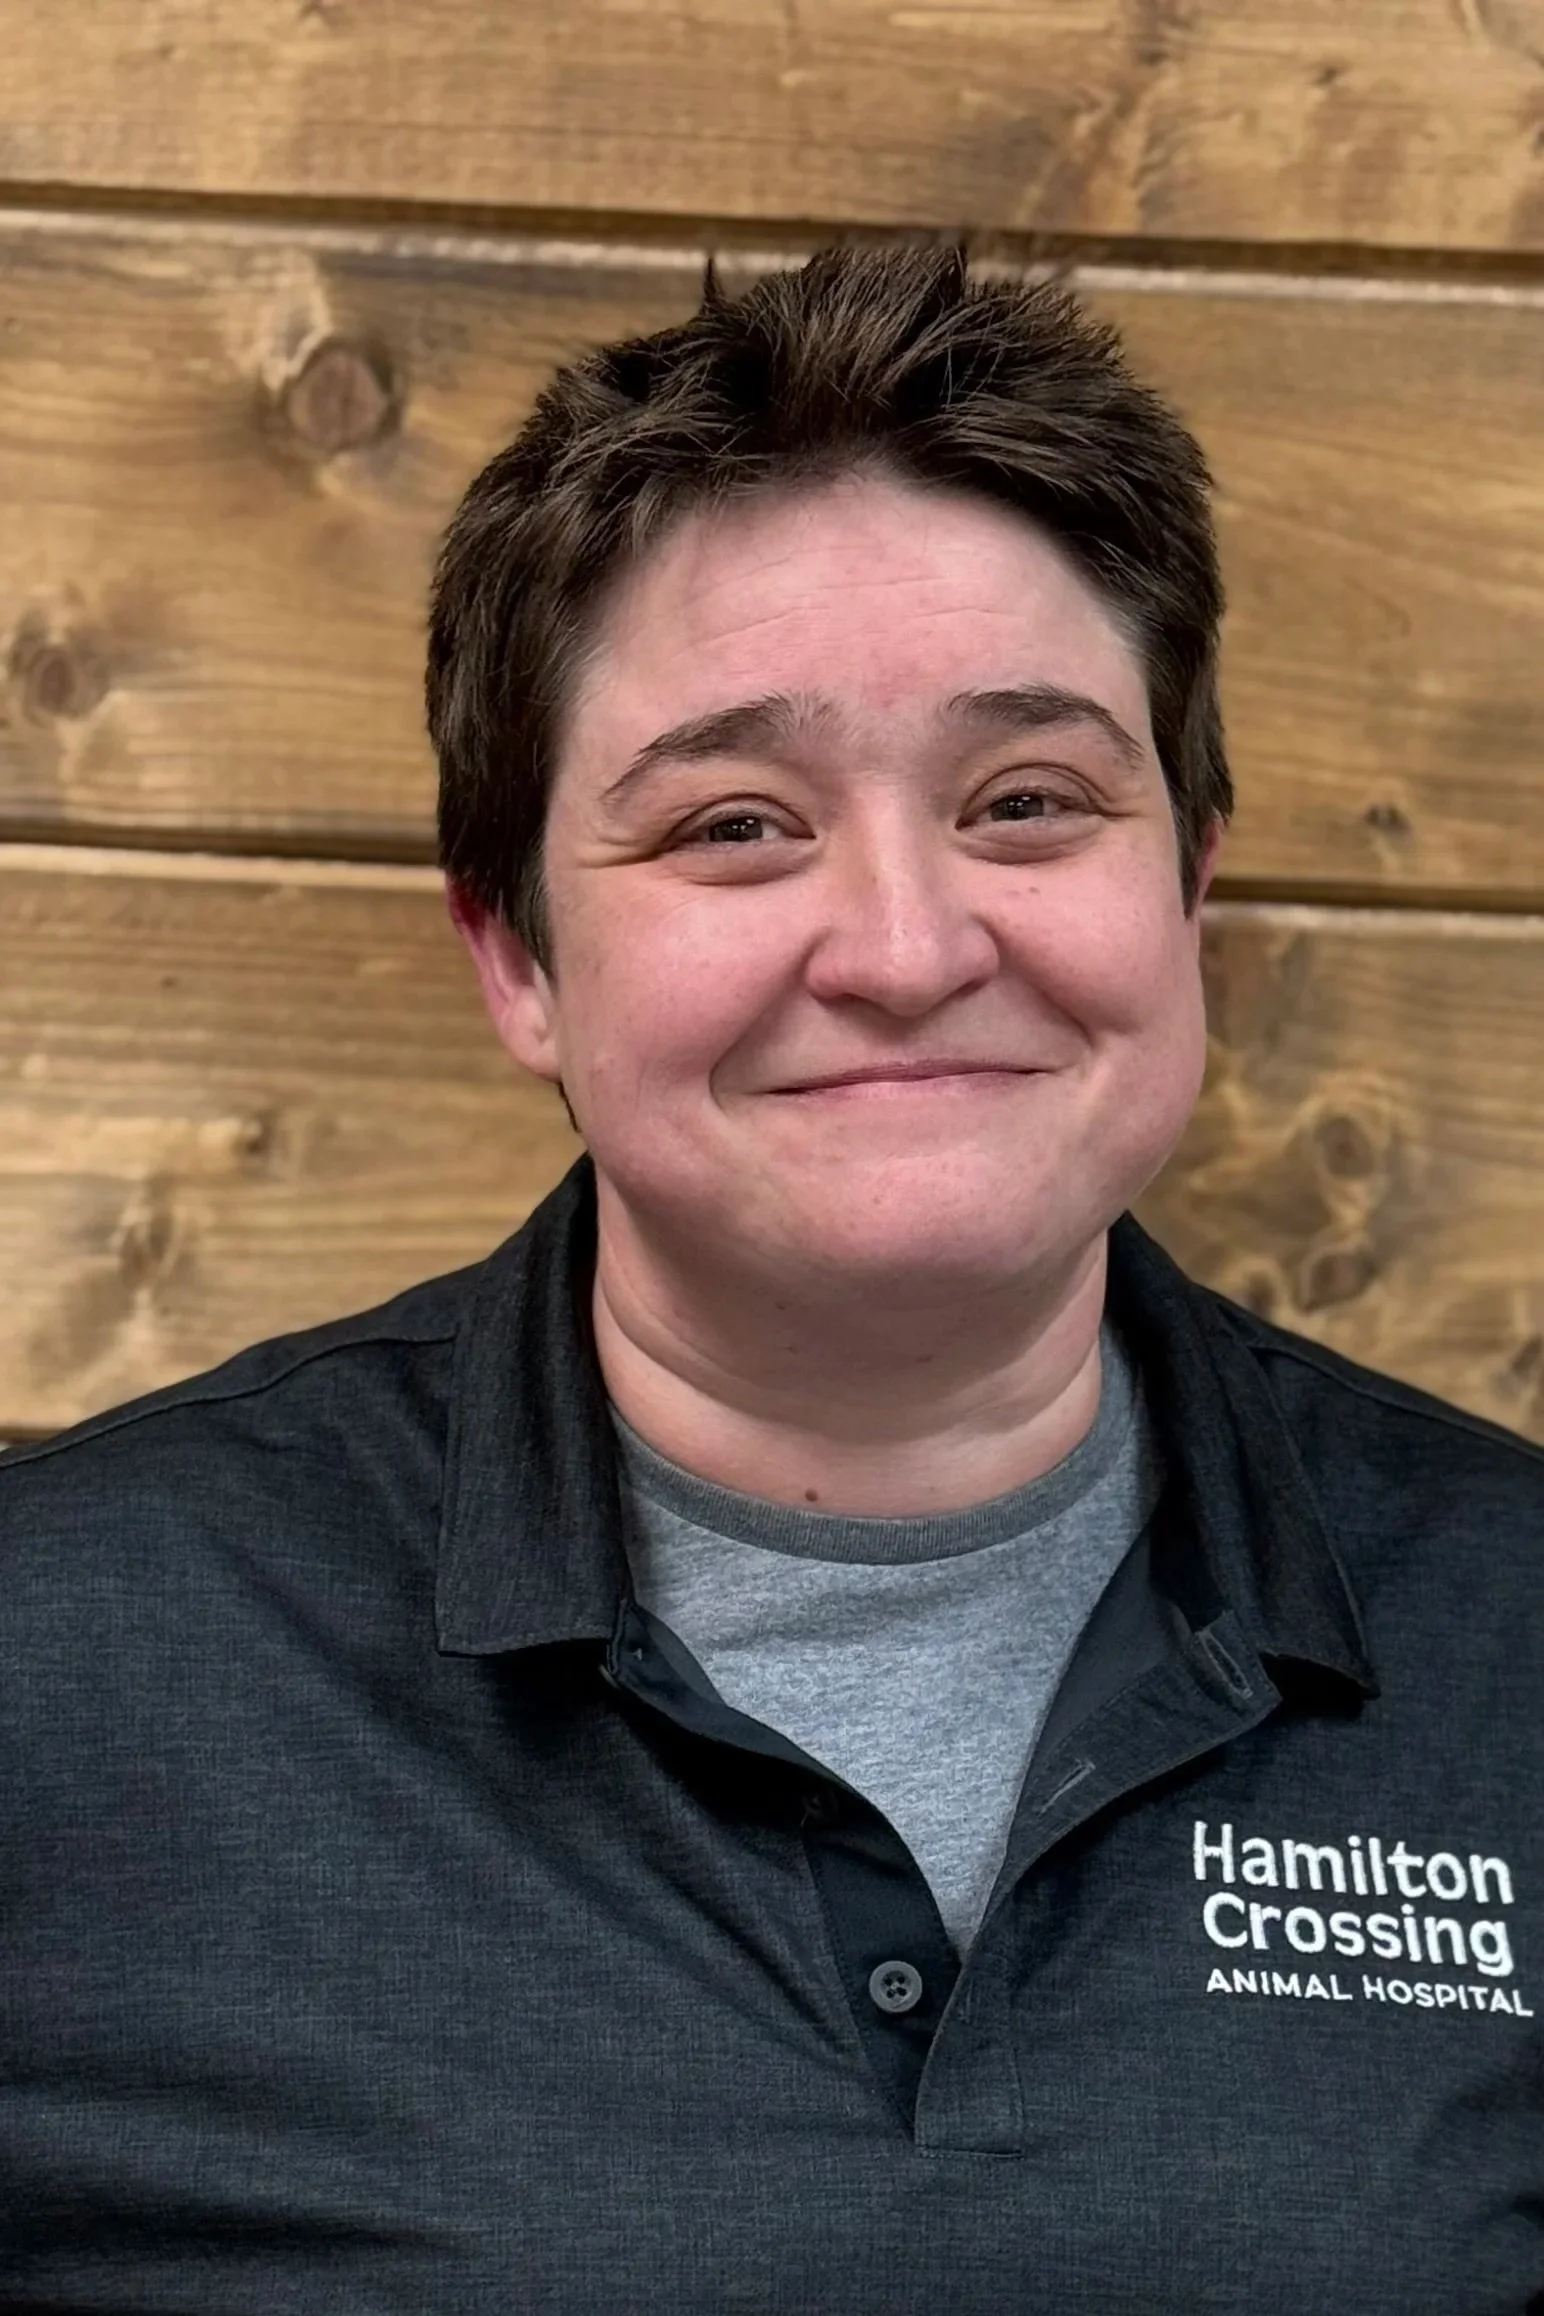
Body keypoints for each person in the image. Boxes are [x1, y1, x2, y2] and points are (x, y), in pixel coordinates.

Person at [1, 245, 1539, 2314]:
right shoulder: (70, 1666)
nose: (903, 946)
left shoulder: (1507, 1645)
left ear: (1185, 883)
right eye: (735, 825)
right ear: (517, 956)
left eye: (1026, 801)